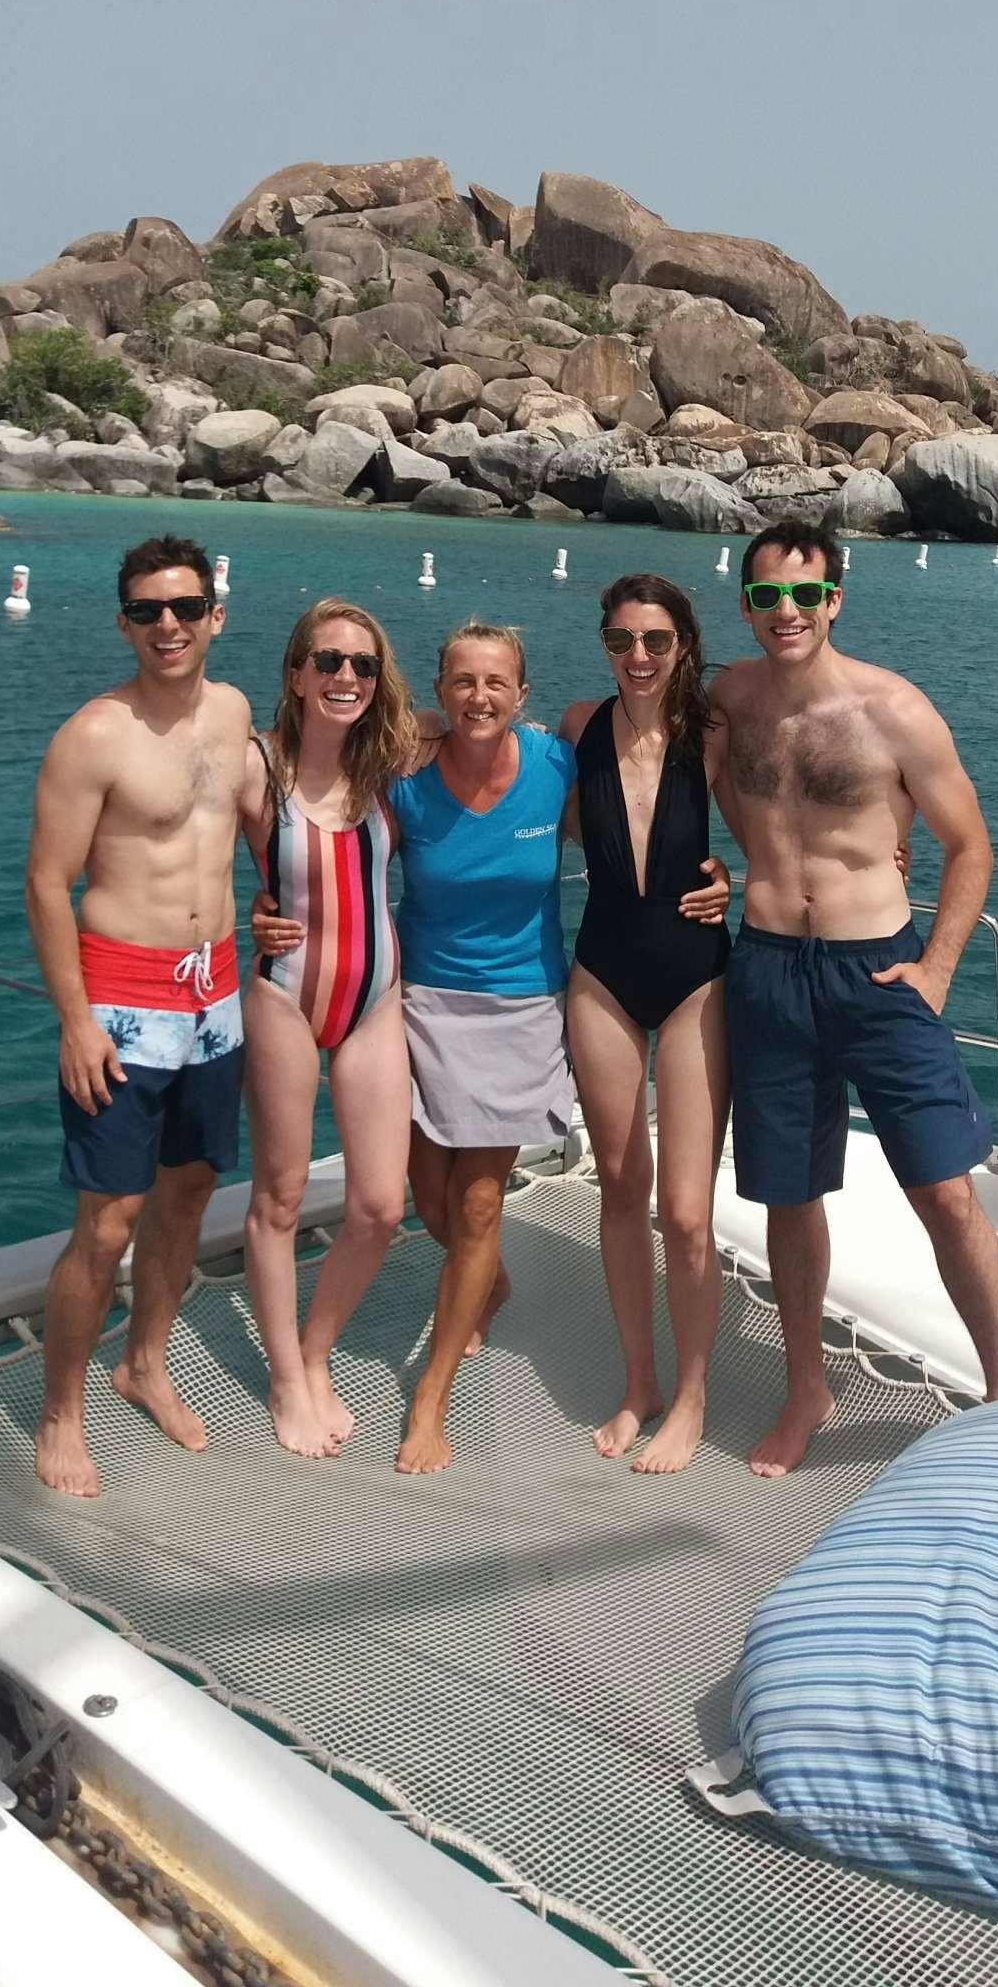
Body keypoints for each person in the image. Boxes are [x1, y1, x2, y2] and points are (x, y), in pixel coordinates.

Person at [711, 517, 998, 1476]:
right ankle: (807, 1387)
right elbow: (660, 763)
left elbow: (970, 846)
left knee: (945, 1191)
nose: (788, 611)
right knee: (788, 1194)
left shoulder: (896, 711)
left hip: (879, 973)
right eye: (767, 596)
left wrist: (937, 970)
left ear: (835, 600)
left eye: (806, 594)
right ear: (746, 606)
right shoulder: (728, 701)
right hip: (768, 967)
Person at [25, 534, 250, 1498]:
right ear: (123, 623)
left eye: (186, 608)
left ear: (215, 617)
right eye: (148, 610)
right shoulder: (94, 735)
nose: (169, 625)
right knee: (107, 1221)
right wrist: (76, 1020)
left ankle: (145, 1362)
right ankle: (61, 1413)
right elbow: (47, 882)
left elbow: (262, 820)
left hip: (217, 994)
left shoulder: (235, 714)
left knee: (189, 1190)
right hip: (122, 1001)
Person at [388, 622, 577, 1476]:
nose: (479, 696)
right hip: (424, 1004)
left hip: (522, 1005)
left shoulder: (555, 766)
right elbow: (329, 839)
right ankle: (488, 1282)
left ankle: (431, 1397)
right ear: (439, 690)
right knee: (429, 1201)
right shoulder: (407, 775)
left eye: (497, 682)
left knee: (475, 1205)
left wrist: (713, 877)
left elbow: (638, 824)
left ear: (522, 695)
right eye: (463, 681)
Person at [235, 600, 418, 1458]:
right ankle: (285, 1379)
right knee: (278, 1198)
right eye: (330, 661)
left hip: (374, 1000)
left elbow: (490, 737)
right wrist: (241, 914)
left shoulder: (391, 762)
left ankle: (314, 1354)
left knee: (379, 1205)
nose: (347, 676)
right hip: (284, 996)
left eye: (364, 664)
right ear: (297, 673)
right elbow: (179, 850)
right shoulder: (256, 768)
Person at [558, 574, 732, 1473]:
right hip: (603, 974)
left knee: (688, 1212)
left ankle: (693, 1393)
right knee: (622, 1185)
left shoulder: (713, 733)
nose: (639, 657)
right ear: (605, 643)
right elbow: (491, 780)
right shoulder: (578, 725)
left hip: (697, 975)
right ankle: (641, 1384)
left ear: (683, 646)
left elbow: (786, 819)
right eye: (622, 640)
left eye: (656, 641)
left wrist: (737, 880)